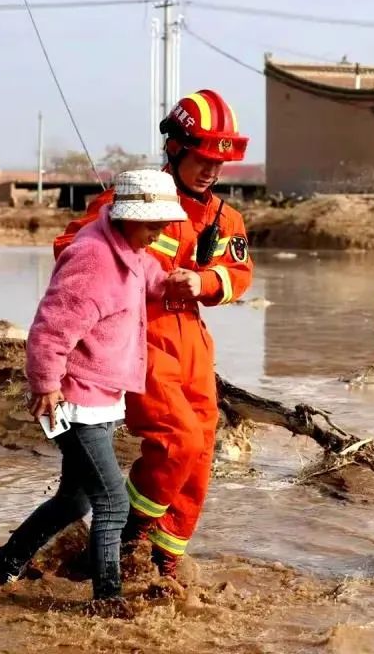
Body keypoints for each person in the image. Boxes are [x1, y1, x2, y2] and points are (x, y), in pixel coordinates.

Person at [0, 169, 187, 613]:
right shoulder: (94, 260)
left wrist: (174, 283)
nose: (159, 233)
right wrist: (44, 385)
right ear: (124, 217)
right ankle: (107, 601)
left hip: (102, 397)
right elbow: (49, 331)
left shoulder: (133, 252)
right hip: (74, 401)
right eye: (152, 224)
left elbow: (148, 277)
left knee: (75, 499)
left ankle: (0, 567)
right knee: (113, 503)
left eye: (163, 224)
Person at [53, 89, 254, 580]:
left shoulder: (227, 218)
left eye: (218, 163)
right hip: (143, 340)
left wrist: (205, 281)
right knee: (177, 440)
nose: (210, 171)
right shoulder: (136, 197)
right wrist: (132, 267)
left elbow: (240, 274)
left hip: (193, 344)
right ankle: (127, 538)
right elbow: (69, 247)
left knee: (201, 450)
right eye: (202, 158)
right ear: (177, 148)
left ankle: (165, 564)